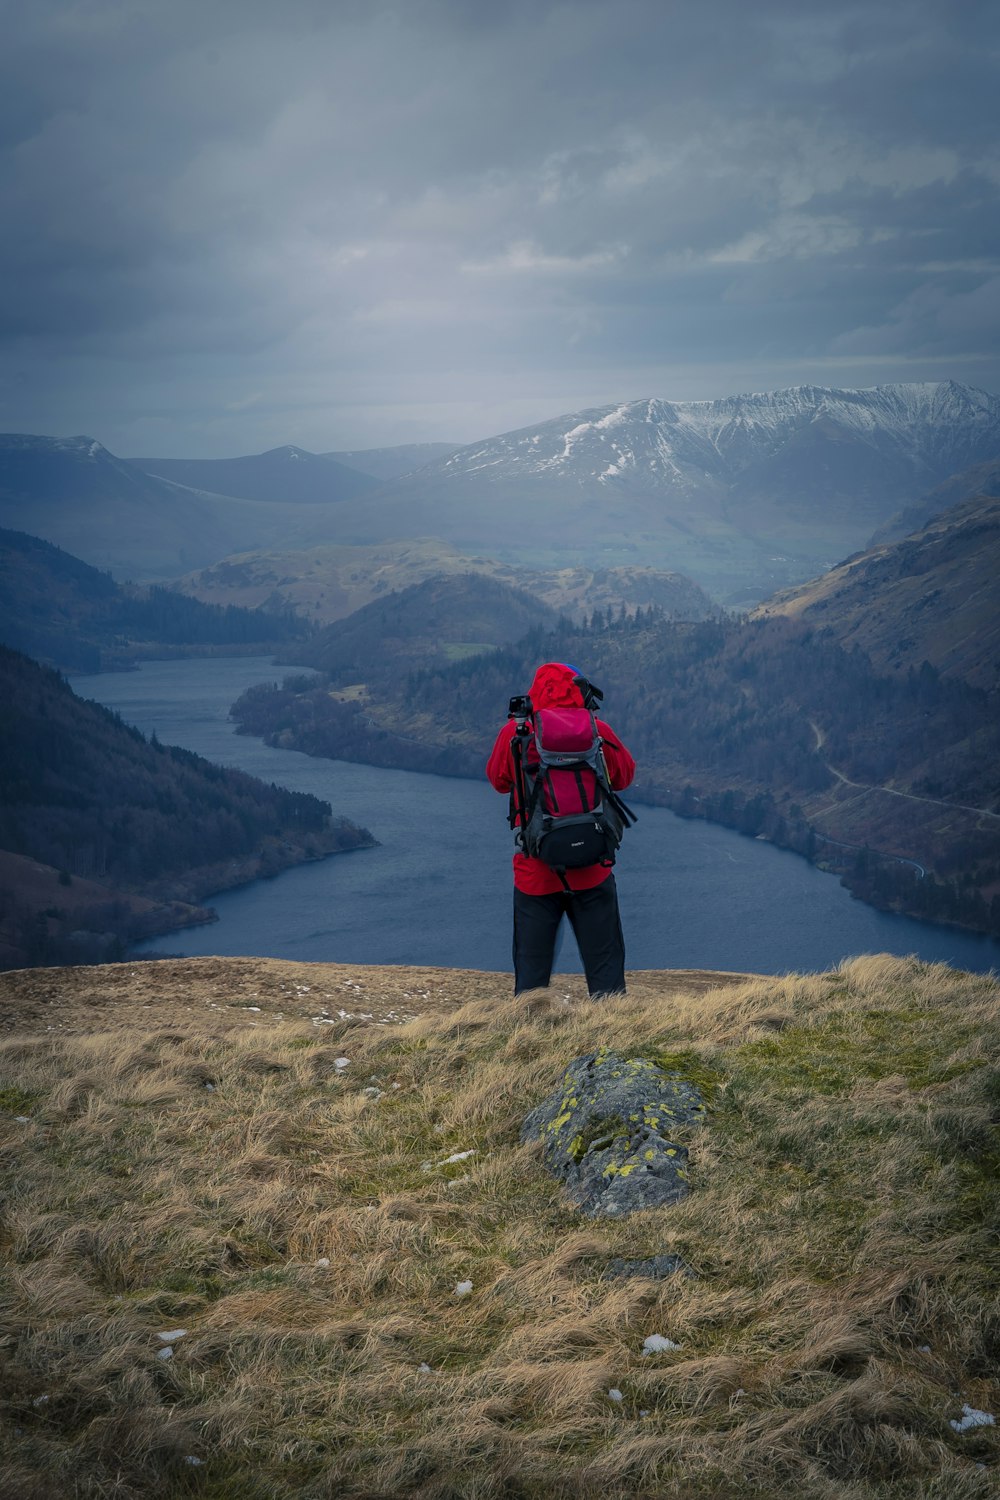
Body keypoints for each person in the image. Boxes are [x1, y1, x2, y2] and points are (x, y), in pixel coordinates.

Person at [486, 660, 636, 997]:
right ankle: (614, 1044)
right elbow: (625, 776)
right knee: (606, 971)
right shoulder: (598, 730)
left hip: (535, 872)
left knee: (532, 977)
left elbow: (498, 781)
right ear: (578, 689)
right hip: (594, 870)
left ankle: (530, 1043)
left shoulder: (517, 733)